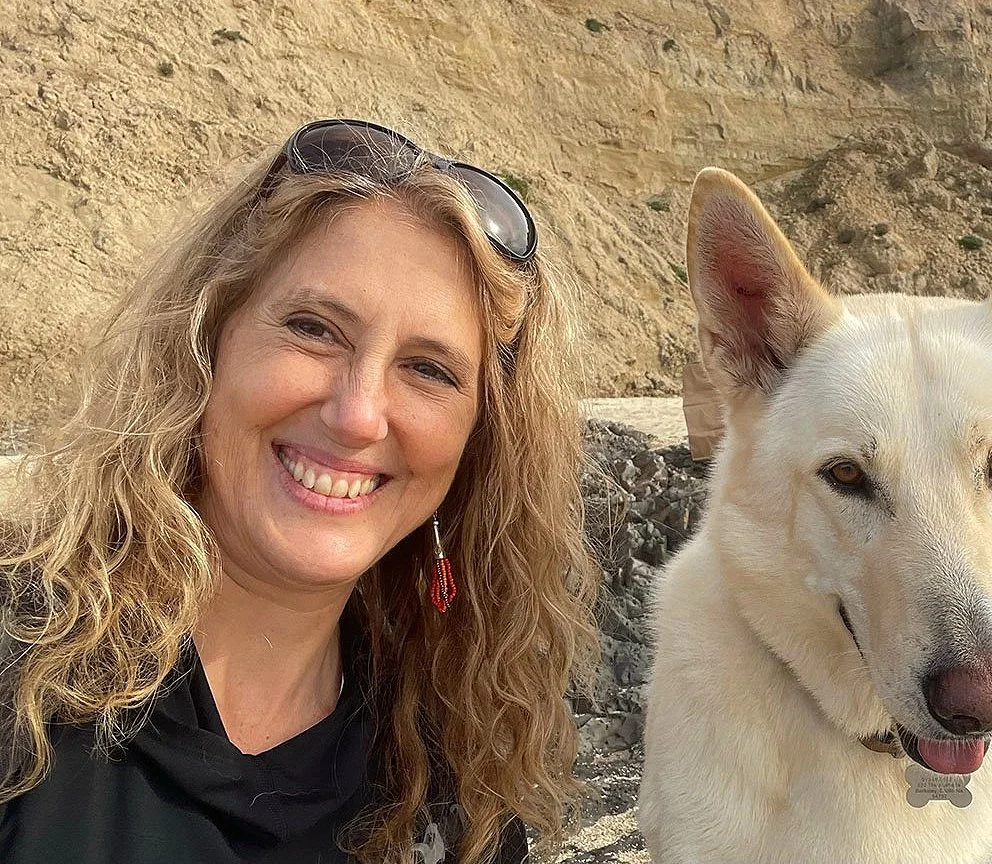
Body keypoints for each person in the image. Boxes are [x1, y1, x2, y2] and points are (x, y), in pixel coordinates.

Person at [0, 118, 599, 864]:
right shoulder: (20, 672)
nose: (358, 415)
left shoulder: (456, 799)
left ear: (479, 442)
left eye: (428, 370)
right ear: (206, 339)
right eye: (315, 329)